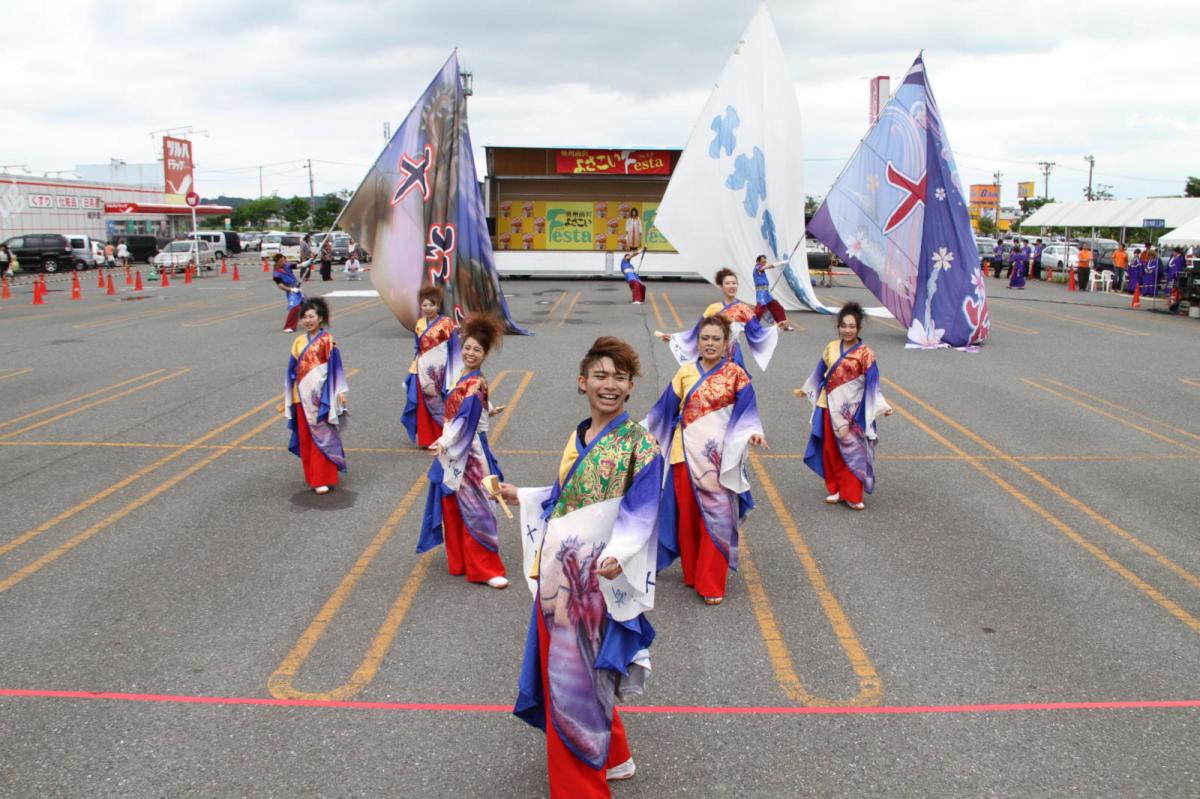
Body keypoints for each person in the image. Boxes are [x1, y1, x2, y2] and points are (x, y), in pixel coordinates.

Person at [497, 336, 662, 797]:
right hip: (560, 577)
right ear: (582, 381)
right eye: (601, 375)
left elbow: (643, 512)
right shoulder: (580, 436)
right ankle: (616, 758)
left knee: (573, 684)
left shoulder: (640, 445)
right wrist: (524, 495)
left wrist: (620, 554)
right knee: (587, 676)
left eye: (619, 378)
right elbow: (564, 497)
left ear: (631, 387)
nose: (609, 385)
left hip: (593, 584)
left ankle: (580, 788)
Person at [645, 314, 767, 605]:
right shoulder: (685, 373)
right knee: (687, 518)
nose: (710, 344)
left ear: (727, 344)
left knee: (718, 519)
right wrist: (649, 434)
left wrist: (753, 433)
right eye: (705, 338)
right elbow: (664, 410)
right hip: (684, 455)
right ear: (696, 342)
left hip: (719, 461)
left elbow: (748, 413)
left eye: (716, 339)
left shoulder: (737, 375)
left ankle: (711, 583)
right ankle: (692, 573)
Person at [418, 313, 509, 589]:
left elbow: (465, 421)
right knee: (455, 504)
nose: (470, 353)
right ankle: (462, 562)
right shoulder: (465, 376)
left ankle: (483, 568)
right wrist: (489, 409)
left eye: (477, 350)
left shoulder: (476, 381)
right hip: (456, 445)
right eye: (467, 347)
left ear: (485, 354)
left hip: (470, 451)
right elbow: (467, 410)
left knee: (478, 508)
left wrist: (444, 442)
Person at [799, 302, 892, 511]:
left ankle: (852, 493)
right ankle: (836, 488)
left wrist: (881, 405)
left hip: (853, 410)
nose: (847, 330)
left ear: (858, 328)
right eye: (844, 325)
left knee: (853, 450)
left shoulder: (866, 353)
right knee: (830, 449)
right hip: (828, 404)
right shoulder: (831, 348)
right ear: (838, 326)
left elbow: (873, 382)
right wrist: (807, 389)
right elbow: (819, 371)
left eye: (852, 326)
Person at [285, 298, 349, 495]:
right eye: (304, 317)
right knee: (306, 438)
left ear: (320, 318)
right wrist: (288, 397)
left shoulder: (328, 341)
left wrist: (340, 393)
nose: (308, 320)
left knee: (322, 436)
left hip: (321, 398)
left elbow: (336, 369)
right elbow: (290, 372)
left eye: (311, 316)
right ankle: (312, 475)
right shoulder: (298, 342)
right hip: (300, 398)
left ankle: (323, 477)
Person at [659, 268, 778, 372]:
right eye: (728, 283)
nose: (732, 286)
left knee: (736, 388)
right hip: (713, 353)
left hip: (734, 354)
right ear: (721, 286)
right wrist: (674, 338)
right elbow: (698, 331)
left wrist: (778, 328)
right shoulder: (713, 308)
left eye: (734, 283)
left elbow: (757, 331)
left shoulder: (743, 309)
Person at [402, 285, 456, 447]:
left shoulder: (446, 323)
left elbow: (453, 347)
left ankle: (444, 437)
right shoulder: (419, 324)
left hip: (441, 369)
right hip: (423, 368)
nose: (427, 308)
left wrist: (454, 369)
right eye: (424, 305)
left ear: (438, 306)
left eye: (431, 305)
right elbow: (418, 348)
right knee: (423, 404)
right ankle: (427, 439)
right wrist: (414, 369)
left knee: (442, 401)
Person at [751, 255, 796, 331]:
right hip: (761, 293)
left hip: (766, 292)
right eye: (762, 262)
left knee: (778, 307)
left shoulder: (761, 269)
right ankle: (749, 326)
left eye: (765, 262)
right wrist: (782, 263)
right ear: (758, 262)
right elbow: (770, 266)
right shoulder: (757, 268)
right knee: (759, 311)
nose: (764, 263)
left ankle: (784, 325)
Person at [271, 253, 305, 333]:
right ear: (277, 262)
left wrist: (308, 262)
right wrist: (290, 289)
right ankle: (289, 326)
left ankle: (313, 321)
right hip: (291, 290)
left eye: (284, 260)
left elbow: (297, 266)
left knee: (306, 304)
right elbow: (280, 285)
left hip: (297, 287)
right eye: (282, 261)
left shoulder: (287, 265)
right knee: (294, 307)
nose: (284, 262)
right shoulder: (276, 273)